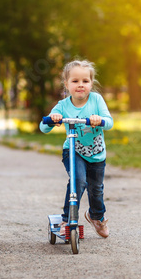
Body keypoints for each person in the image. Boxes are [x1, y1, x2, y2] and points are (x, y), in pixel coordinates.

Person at [39, 60, 114, 238]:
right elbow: (43, 127)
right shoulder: (63, 105)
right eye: (75, 81)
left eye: (85, 81)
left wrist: (100, 120)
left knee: (96, 189)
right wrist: (54, 118)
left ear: (91, 83)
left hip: (96, 154)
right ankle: (67, 219)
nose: (80, 85)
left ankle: (96, 217)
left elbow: (109, 122)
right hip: (73, 151)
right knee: (78, 180)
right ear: (66, 84)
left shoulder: (96, 100)